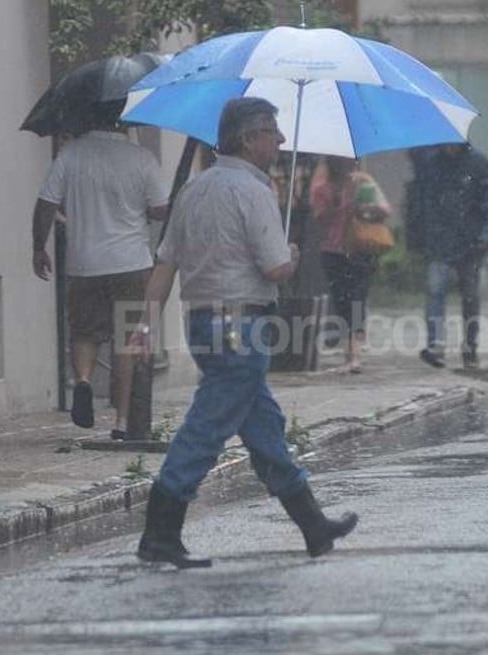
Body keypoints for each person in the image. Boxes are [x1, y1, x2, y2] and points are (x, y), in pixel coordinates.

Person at [127, 97, 359, 569]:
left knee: (264, 429)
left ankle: (314, 527)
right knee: (206, 428)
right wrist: (292, 256)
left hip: (203, 322)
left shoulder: (193, 190)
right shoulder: (254, 192)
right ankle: (160, 531)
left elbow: (164, 265)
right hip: (240, 326)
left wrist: (145, 323)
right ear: (249, 138)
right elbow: (275, 269)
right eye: (272, 131)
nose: (281, 140)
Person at [32, 100, 170, 440]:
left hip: (84, 263)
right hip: (132, 263)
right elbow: (161, 208)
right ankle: (121, 421)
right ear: (124, 120)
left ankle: (82, 380)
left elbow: (46, 203)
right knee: (128, 341)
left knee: (84, 333)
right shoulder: (142, 158)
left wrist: (38, 247)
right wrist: (142, 211)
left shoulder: (70, 156)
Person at [405, 143, 488, 370]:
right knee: (435, 291)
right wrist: (417, 237)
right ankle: (435, 346)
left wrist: (487, 236)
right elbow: (419, 201)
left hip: (470, 243)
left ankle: (470, 347)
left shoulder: (477, 163)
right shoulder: (431, 163)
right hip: (439, 241)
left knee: (470, 297)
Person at [310, 156, 391, 373]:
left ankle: (355, 354)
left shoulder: (363, 181)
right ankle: (350, 350)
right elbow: (318, 216)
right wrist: (335, 204)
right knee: (342, 301)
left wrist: (363, 207)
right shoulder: (322, 187)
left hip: (360, 249)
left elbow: (385, 209)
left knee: (357, 299)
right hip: (333, 251)